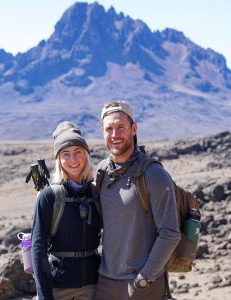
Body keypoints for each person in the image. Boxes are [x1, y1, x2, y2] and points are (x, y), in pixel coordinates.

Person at [94, 100, 181, 300]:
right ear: (102, 132)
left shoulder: (153, 174)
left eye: (120, 127)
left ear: (133, 129)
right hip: (105, 282)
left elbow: (170, 232)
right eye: (109, 129)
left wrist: (144, 278)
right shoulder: (101, 172)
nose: (115, 135)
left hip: (142, 285)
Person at [31, 121, 102, 300]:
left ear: (86, 155)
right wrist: (44, 295)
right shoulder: (49, 196)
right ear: (59, 160)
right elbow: (38, 248)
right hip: (58, 288)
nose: (72, 159)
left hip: (93, 286)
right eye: (65, 154)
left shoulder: (97, 193)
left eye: (78, 152)